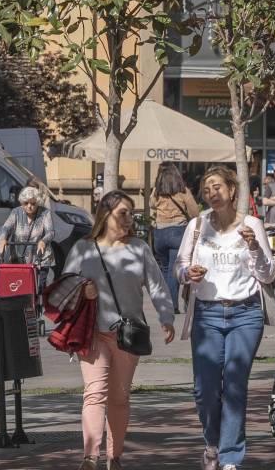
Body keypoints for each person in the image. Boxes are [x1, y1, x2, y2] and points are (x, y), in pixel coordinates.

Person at [176, 166, 275, 470]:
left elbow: (268, 274)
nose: (212, 193)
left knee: (234, 383)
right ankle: (212, 443)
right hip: (206, 314)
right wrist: (187, 274)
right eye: (207, 189)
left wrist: (255, 247)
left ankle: (231, 457)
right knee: (204, 388)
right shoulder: (197, 225)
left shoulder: (252, 225)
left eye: (217, 187)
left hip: (245, 313)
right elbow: (180, 266)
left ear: (232, 190)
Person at [64, 191, 174, 470]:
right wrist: (82, 290)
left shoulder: (138, 248)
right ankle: (90, 457)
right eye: (123, 212)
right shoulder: (83, 249)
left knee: (119, 396)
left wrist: (166, 317)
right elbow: (64, 288)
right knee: (94, 392)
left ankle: (115, 456)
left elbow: (157, 284)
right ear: (106, 214)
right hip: (93, 332)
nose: (129, 219)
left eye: (131, 213)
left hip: (128, 334)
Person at [150, 164, 201, 310]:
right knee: (173, 271)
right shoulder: (183, 191)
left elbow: (152, 205)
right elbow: (195, 212)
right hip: (177, 232)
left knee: (166, 269)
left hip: (159, 233)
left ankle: (165, 304)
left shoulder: (157, 192)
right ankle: (172, 305)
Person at [0, 185, 55, 288]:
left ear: (37, 203)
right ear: (21, 202)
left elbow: (50, 232)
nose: (29, 206)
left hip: (40, 258)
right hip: (19, 258)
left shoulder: (45, 213)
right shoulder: (16, 212)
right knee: (21, 287)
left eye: (33, 203)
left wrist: (43, 241)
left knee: (39, 287)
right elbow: (5, 227)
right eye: (26, 203)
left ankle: (39, 303)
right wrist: (3, 239)